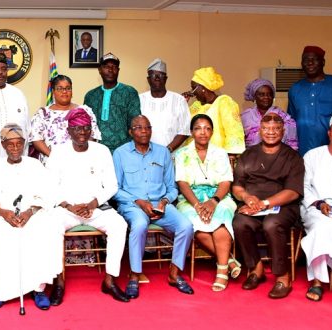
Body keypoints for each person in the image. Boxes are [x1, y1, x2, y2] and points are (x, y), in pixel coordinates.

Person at [46, 108, 129, 304]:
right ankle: (59, 281)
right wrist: (68, 205)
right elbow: (49, 186)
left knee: (119, 225)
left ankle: (110, 280)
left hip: (96, 208)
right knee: (51, 226)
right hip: (67, 209)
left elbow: (112, 185)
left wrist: (93, 203)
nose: (82, 132)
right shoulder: (58, 152)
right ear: (69, 130)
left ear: (91, 130)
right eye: (77, 128)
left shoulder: (101, 151)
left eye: (86, 128)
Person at [0, 124, 62, 310]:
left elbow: (46, 195)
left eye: (19, 144)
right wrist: (5, 213)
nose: (15, 148)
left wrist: (29, 212)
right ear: (3, 145)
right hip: (2, 215)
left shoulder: (34, 165)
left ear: (24, 144)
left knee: (41, 230)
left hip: (32, 214)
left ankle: (37, 288)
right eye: (11, 144)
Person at [114, 115, 194, 298]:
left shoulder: (163, 152)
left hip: (160, 204)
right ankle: (135, 275)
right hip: (133, 204)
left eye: (147, 127)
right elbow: (115, 189)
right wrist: (139, 202)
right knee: (140, 225)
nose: (143, 131)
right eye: (138, 127)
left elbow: (172, 187)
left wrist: (164, 202)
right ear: (130, 132)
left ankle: (174, 273)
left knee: (186, 226)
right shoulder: (120, 153)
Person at [232, 113, 304, 299]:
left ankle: (282, 276)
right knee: (240, 222)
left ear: (283, 130)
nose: (270, 132)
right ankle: (256, 269)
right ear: (260, 130)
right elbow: (237, 186)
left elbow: (293, 192)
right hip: (253, 205)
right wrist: (247, 197)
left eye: (275, 128)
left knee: (271, 224)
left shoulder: (292, 157)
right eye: (266, 128)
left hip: (282, 206)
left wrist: (265, 204)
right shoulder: (249, 154)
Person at [174, 114, 239, 291]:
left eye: (207, 128)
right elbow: (182, 183)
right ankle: (229, 261)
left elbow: (226, 181)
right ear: (191, 132)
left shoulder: (220, 153)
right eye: (198, 128)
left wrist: (214, 201)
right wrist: (197, 205)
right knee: (195, 224)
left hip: (219, 196)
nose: (203, 132)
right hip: (190, 199)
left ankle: (222, 272)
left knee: (221, 222)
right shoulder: (182, 154)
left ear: (211, 132)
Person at [300, 113, 332, 302]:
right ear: (329, 133)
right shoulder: (313, 156)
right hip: (317, 207)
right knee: (322, 228)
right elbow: (305, 186)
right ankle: (317, 281)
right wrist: (318, 203)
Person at [29, 74, 101, 163]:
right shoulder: (42, 113)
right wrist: (54, 156)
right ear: (53, 92)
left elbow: (92, 135)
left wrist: (81, 155)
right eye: (60, 88)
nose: (64, 91)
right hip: (52, 161)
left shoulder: (84, 110)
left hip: (80, 161)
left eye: (68, 88)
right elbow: (36, 139)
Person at [288, 45, 332, 155]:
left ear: (323, 62)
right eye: (305, 59)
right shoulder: (295, 89)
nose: (309, 63)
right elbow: (291, 122)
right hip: (303, 152)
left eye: (314, 59)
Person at [83, 53, 140, 154]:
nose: (110, 70)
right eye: (106, 66)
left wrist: (128, 149)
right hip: (96, 150)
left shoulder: (129, 92)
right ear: (99, 70)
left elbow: (135, 123)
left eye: (114, 67)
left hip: (123, 150)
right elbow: (85, 124)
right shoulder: (90, 96)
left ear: (118, 70)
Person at [185, 67, 245, 163]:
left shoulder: (224, 102)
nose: (192, 93)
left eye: (193, 88)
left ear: (202, 88)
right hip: (195, 160)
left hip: (219, 161)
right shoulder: (196, 106)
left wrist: (231, 161)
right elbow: (185, 127)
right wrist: (182, 104)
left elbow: (234, 133)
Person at [139, 59, 190, 152]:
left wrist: (167, 150)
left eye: (161, 75)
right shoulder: (139, 100)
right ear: (148, 79)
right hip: (145, 155)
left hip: (171, 155)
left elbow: (185, 130)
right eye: (154, 75)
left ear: (166, 78)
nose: (157, 78)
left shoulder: (179, 100)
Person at [241, 78, 298, 150]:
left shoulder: (284, 117)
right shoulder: (246, 116)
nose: (266, 97)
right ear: (254, 97)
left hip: (279, 158)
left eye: (269, 94)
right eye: (262, 94)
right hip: (252, 158)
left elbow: (292, 145)